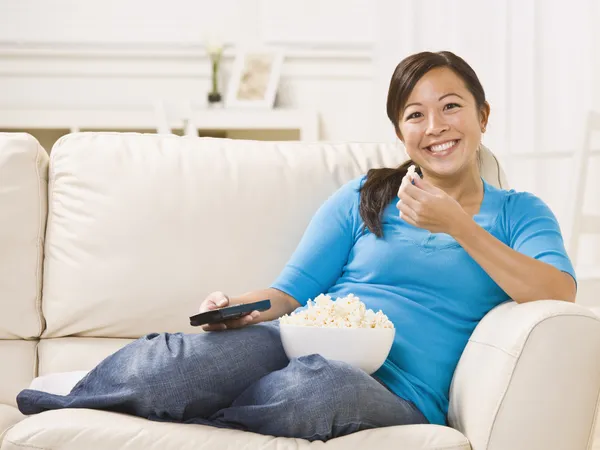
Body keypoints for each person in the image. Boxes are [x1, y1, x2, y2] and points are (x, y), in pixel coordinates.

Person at [16, 51, 577, 442]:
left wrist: (459, 225)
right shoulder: (366, 196)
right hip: (294, 344)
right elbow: (291, 293)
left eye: (451, 106)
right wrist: (239, 309)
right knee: (190, 362)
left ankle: (201, 409)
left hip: (389, 388)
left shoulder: (518, 213)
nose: (435, 126)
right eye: (414, 115)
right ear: (401, 134)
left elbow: (558, 292)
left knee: (318, 390)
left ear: (482, 115)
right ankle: (67, 400)